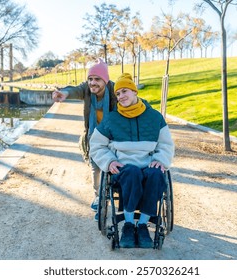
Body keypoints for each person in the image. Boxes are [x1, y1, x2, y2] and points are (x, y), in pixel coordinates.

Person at [89, 73, 175, 248]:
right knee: (132, 172)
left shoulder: (154, 117)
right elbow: (96, 145)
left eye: (125, 91)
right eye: (118, 93)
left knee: (157, 174)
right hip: (123, 168)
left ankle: (142, 225)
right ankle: (128, 225)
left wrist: (160, 159)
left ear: (135, 92)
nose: (121, 96)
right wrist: (109, 162)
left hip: (148, 164)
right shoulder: (111, 119)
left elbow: (166, 144)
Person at [52, 58, 117, 220]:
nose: (92, 83)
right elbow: (75, 90)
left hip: (115, 136)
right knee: (95, 169)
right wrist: (64, 93)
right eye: (90, 79)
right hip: (94, 137)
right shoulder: (87, 90)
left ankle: (113, 192)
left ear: (105, 80)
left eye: (97, 79)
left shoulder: (115, 90)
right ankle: (99, 196)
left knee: (115, 168)